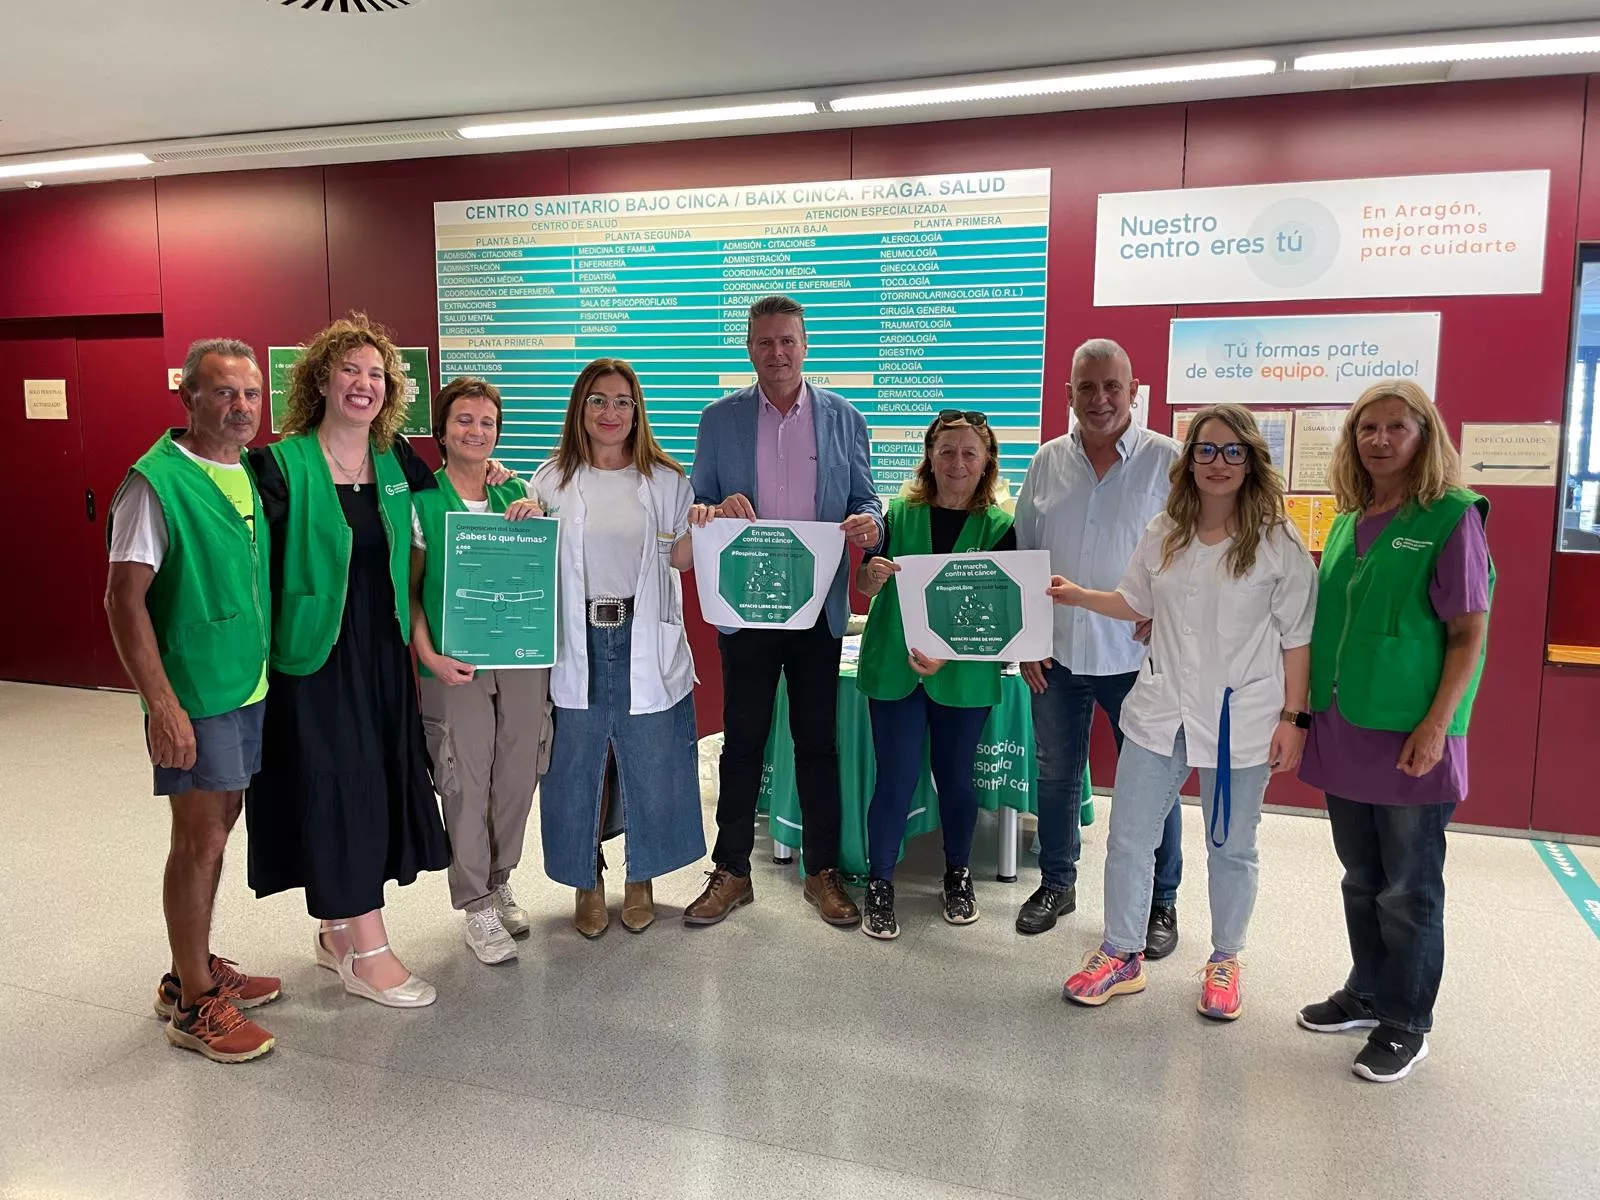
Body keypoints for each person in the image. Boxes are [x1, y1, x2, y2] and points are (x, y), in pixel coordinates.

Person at [1054, 405, 1316, 1019]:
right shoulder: (1165, 529)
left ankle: (1226, 960)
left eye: (1232, 451)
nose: (1218, 463)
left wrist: (1294, 718)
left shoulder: (1277, 538)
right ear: (1189, 459)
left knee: (1230, 845)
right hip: (1160, 709)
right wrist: (1076, 596)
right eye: (1206, 450)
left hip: (1240, 718)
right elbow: (1133, 600)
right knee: (1128, 839)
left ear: (1250, 459)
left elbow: (1298, 636)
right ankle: (1121, 953)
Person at [246, 314, 450, 1009]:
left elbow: (455, 502)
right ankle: (369, 950)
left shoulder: (397, 462)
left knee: (375, 783)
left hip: (383, 660)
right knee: (341, 788)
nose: (364, 384)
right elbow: (248, 570)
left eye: (376, 374)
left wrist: (513, 485)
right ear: (321, 380)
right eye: (350, 371)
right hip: (315, 664)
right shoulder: (280, 465)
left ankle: (336, 931)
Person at [1295, 381, 1492, 1083]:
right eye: (1367, 429)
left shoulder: (1451, 517)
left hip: (1411, 734)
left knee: (1409, 890)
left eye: (1395, 427)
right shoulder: (1350, 517)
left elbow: (1469, 634)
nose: (1379, 440)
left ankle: (1407, 1021)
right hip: (1348, 726)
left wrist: (1437, 724)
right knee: (1362, 878)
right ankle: (1367, 991)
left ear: (1424, 434)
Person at [106, 338, 281, 1063]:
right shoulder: (156, 482)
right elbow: (123, 599)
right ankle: (192, 1005)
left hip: (246, 679)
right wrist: (163, 706)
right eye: (222, 393)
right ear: (188, 396)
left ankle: (195, 970)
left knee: (222, 822)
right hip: (196, 689)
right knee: (200, 838)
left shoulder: (246, 469)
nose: (240, 407)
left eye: (250, 394)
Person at [684, 295, 884, 928]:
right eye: (765, 342)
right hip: (746, 609)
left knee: (816, 743)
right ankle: (732, 871)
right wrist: (717, 509)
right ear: (750, 347)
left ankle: (821, 872)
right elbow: (700, 504)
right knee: (740, 742)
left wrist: (869, 527)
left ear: (805, 345)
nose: (777, 352)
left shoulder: (845, 418)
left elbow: (869, 501)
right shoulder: (719, 420)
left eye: (787, 341)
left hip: (815, 610)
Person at [1012, 339, 1187, 952]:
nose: (1101, 399)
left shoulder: (1172, 462)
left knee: (1153, 784)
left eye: (1113, 386)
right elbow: (1026, 561)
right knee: (1055, 775)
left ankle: (1160, 904)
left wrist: (1166, 612)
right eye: (1087, 388)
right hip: (1056, 655)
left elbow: (1194, 554)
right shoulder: (1045, 463)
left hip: (1138, 660)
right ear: (1069, 395)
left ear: (1134, 391)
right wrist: (1027, 642)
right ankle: (1057, 883)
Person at [533, 359, 705, 938]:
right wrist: (522, 515)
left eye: (623, 401)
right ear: (580, 408)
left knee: (651, 764)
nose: (612, 413)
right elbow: (531, 552)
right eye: (599, 401)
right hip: (576, 640)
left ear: (637, 411)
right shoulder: (551, 478)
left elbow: (680, 560)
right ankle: (587, 881)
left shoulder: (667, 480)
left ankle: (642, 880)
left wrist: (701, 528)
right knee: (575, 767)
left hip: (643, 640)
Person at [855, 410, 1017, 939]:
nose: (957, 462)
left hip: (963, 675)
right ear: (928, 455)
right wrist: (872, 574)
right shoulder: (896, 514)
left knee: (955, 782)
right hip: (895, 669)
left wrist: (949, 653)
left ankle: (958, 874)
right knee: (895, 781)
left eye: (969, 452)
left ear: (986, 460)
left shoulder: (1000, 527)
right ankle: (880, 883)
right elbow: (864, 585)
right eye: (946, 451)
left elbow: (1001, 611)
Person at [410, 376, 554, 964]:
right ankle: (474, 903)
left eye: (487, 422)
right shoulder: (421, 502)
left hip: (520, 660)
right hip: (455, 663)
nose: (476, 431)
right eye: (464, 420)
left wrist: (538, 513)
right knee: (465, 778)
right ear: (442, 430)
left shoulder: (516, 493)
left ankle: (499, 879)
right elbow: (412, 591)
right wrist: (428, 655)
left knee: (519, 770)